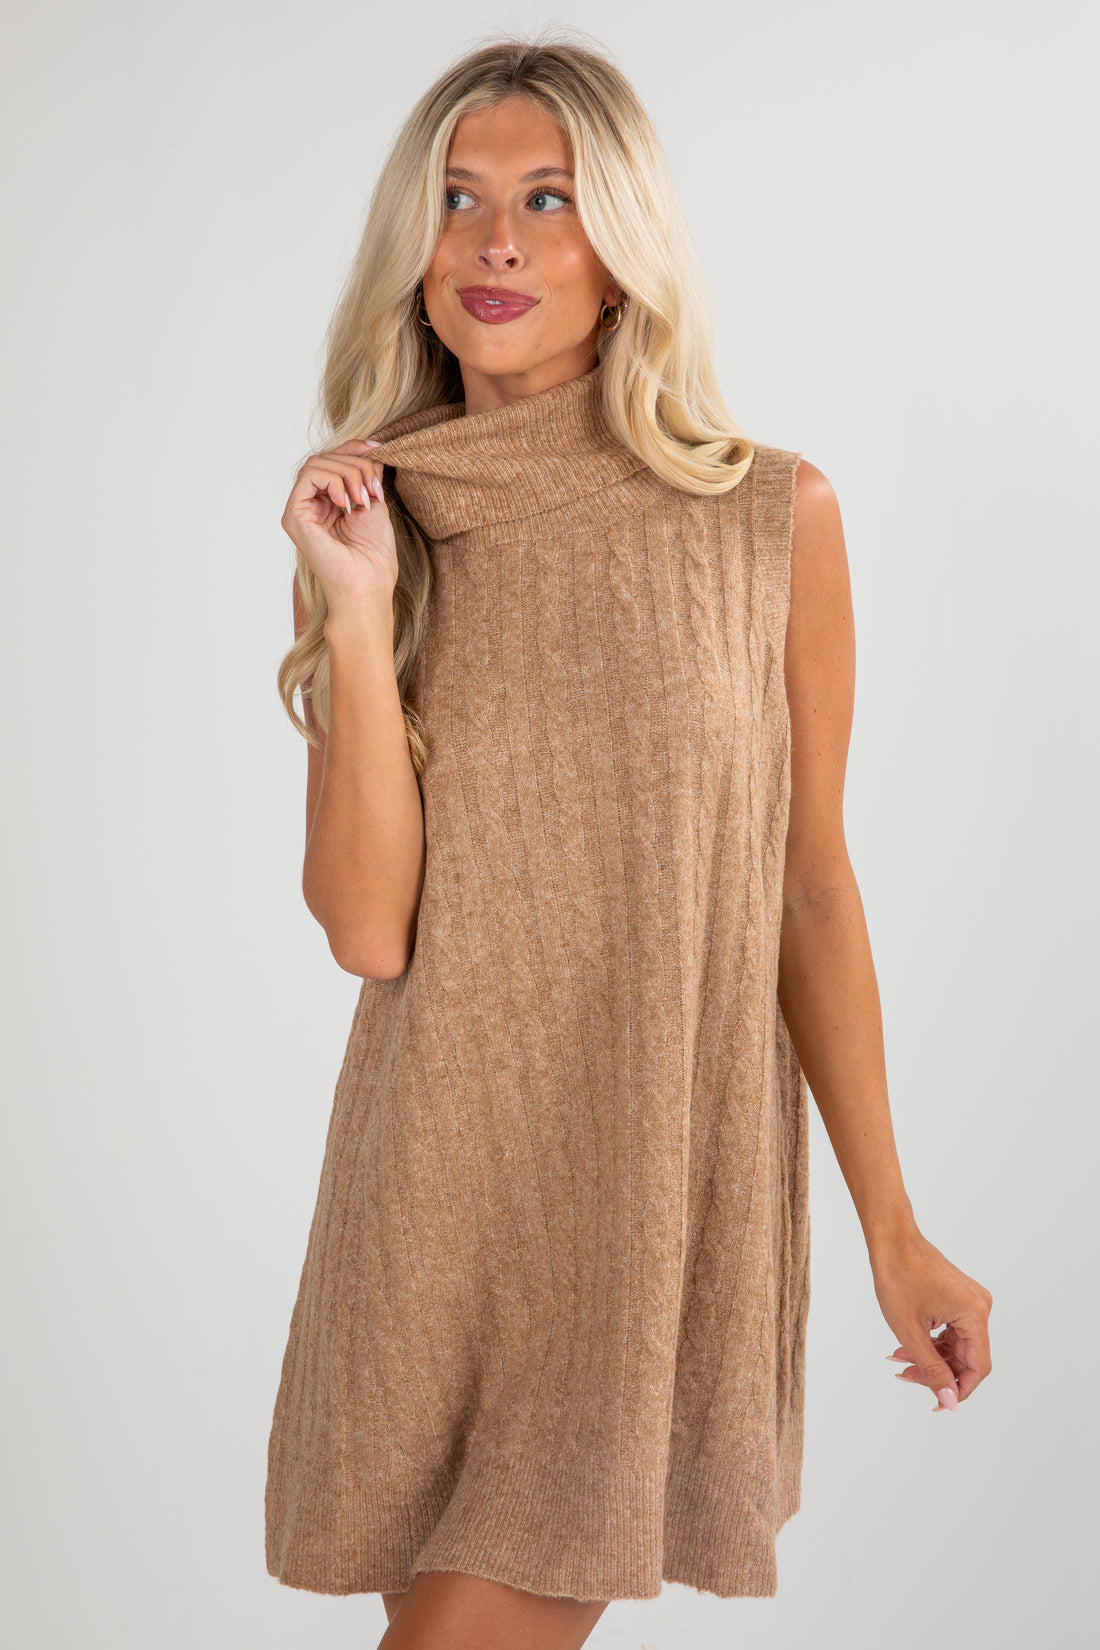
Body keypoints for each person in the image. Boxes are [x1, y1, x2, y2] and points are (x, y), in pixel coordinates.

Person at [265, 31, 993, 1650]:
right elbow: (369, 927)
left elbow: (808, 888)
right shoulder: (371, 521)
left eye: (549, 199)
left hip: (642, 1192)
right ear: (413, 249)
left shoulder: (769, 517)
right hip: (431, 1195)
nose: (496, 241)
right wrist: (361, 616)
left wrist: (892, 1227)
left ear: (622, 250)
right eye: (458, 200)